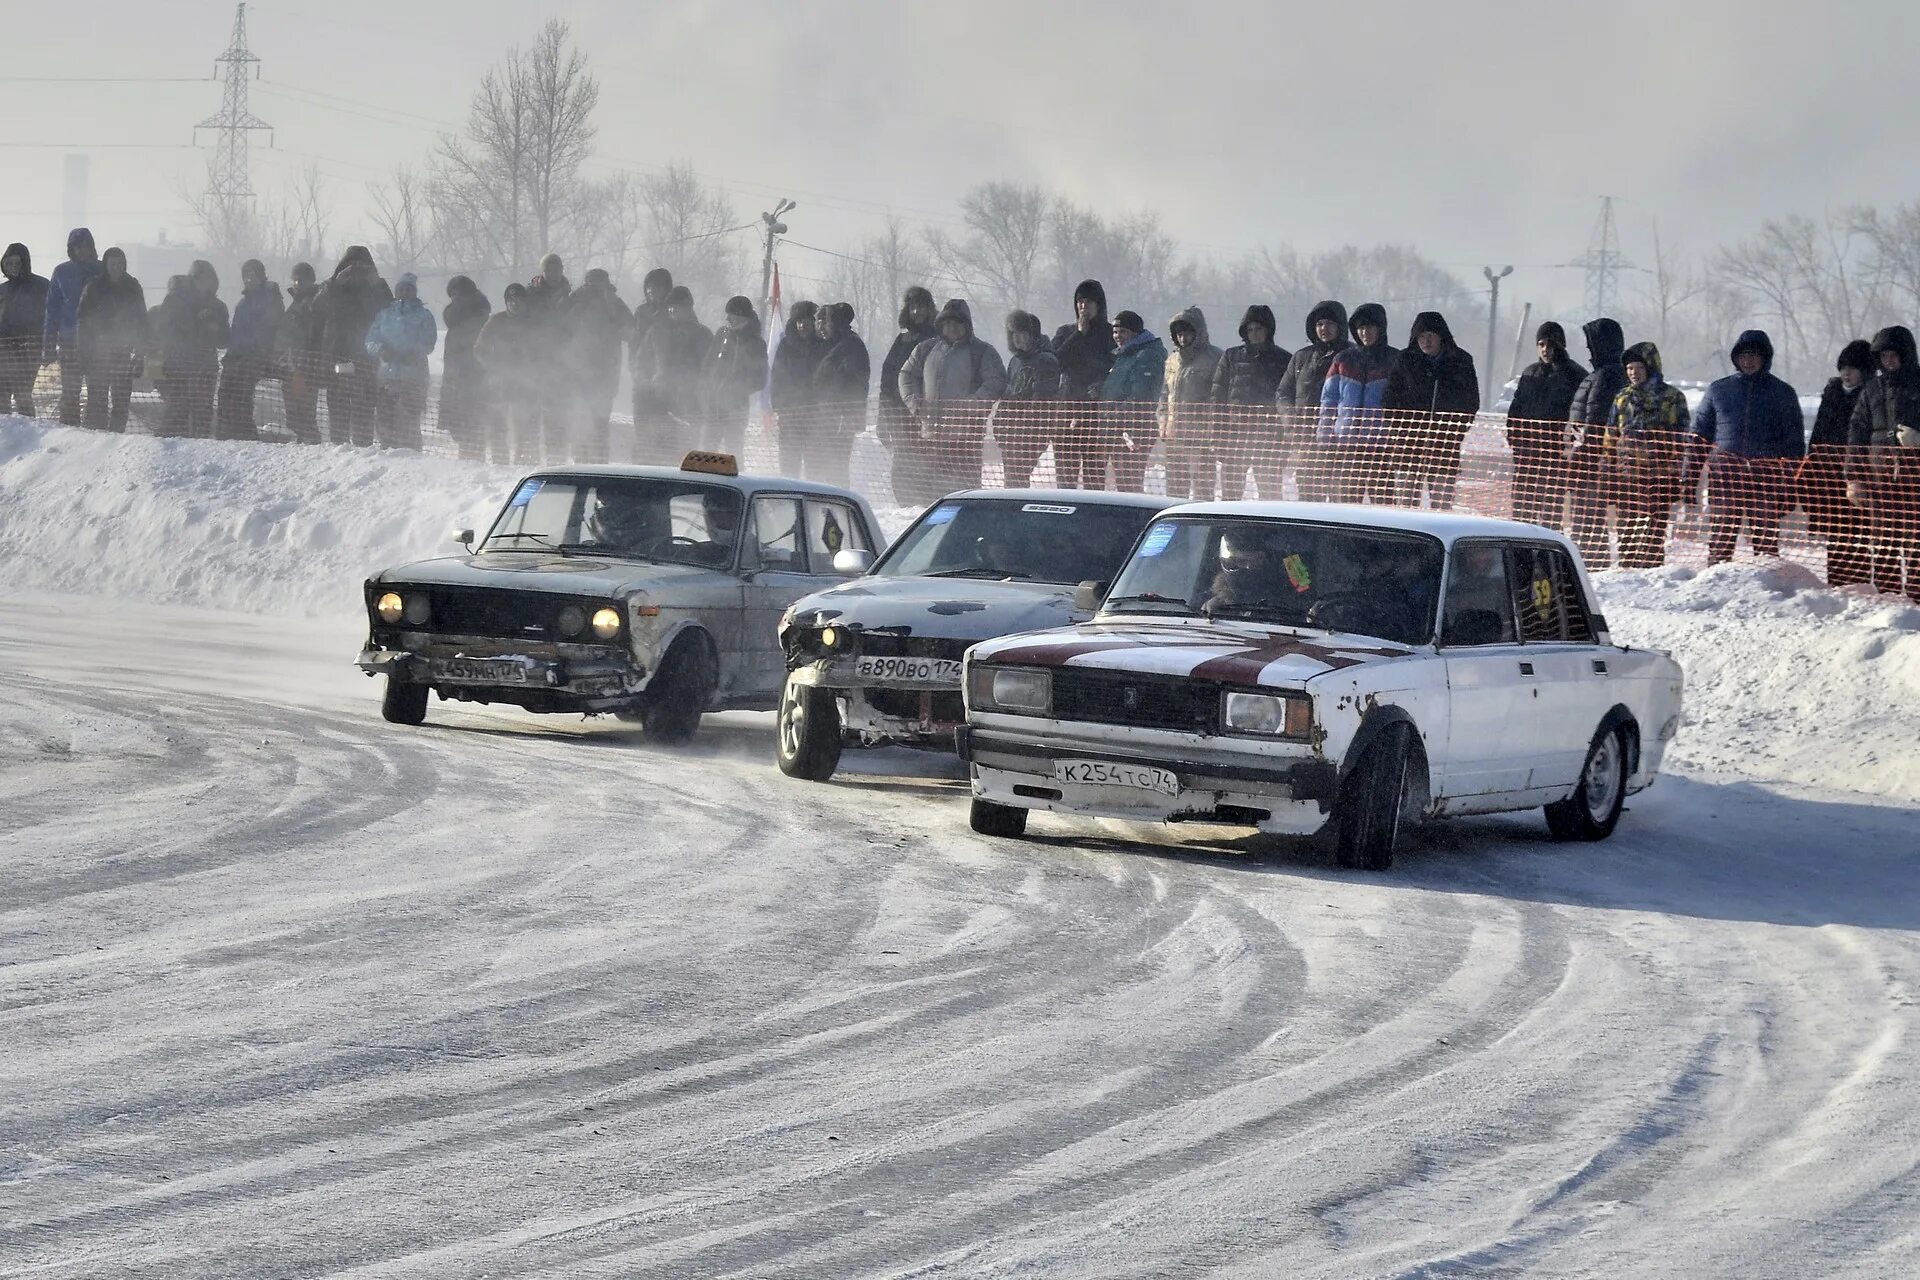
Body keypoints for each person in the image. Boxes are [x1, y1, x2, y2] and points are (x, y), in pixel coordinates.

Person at [1688, 329, 1804, 563]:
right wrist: (1689, 478)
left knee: (1766, 542)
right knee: (1721, 536)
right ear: (1736, 359)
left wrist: (1791, 485)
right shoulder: (1718, 390)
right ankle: (1715, 584)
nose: (1748, 361)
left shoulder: (1782, 393)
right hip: (1726, 475)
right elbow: (1698, 436)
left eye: (1754, 355)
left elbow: (1794, 443)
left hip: (1766, 477)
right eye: (1743, 356)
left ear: (1765, 358)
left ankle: (1768, 588)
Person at [898, 298, 1008, 495]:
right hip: (930, 434)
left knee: (965, 492)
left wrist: (977, 401)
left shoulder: (982, 351)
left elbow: (996, 380)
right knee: (932, 493)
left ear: (967, 325)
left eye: (958, 323)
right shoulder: (925, 349)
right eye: (947, 323)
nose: (952, 327)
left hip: (966, 438)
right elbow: (906, 374)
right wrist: (913, 401)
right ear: (940, 325)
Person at [1847, 325, 1920, 600]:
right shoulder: (1871, 390)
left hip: (1915, 477)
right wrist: (1853, 478)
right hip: (1879, 477)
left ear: (1906, 355)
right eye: (1884, 356)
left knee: (1917, 539)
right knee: (1884, 538)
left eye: (1894, 355)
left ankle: (1916, 598)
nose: (1889, 360)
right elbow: (1856, 433)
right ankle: (1888, 598)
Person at [1605, 342, 1690, 569]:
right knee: (1627, 529)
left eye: (1639, 368)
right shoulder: (1622, 398)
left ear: (1651, 367)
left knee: (1654, 529)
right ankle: (1626, 569)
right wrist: (1608, 468)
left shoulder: (1672, 397)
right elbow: (1611, 435)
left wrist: (1678, 471)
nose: (1634, 373)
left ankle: (1652, 573)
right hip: (1627, 476)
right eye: (1630, 368)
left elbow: (1683, 437)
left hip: (1659, 477)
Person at [1384, 311, 1480, 509]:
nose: (1426, 341)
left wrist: (1454, 431)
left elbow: (1470, 402)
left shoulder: (1460, 361)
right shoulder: (1404, 361)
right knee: (1405, 506)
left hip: (1444, 443)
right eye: (1421, 336)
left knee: (1442, 506)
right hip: (1407, 445)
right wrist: (1399, 430)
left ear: (1441, 336)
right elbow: (1389, 399)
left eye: (1430, 336)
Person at [1802, 340, 1874, 587]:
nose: (1846, 373)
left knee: (1859, 530)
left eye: (1853, 368)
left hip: (1859, 473)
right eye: (1843, 367)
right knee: (1835, 531)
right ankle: (1836, 580)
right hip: (1829, 473)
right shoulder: (1831, 395)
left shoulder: (1870, 395)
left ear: (1864, 371)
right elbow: (1818, 434)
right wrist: (1811, 464)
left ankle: (1859, 581)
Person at [1505, 322, 1588, 526]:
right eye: (1541, 344)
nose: (1545, 349)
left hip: (1555, 457)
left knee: (1550, 517)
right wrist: (1516, 442)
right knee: (1522, 514)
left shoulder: (1575, 375)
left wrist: (1568, 447)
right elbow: (1515, 411)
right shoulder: (1530, 373)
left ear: (1561, 345)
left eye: (1550, 344)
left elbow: (1580, 415)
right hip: (1528, 456)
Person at [1318, 302, 1399, 504]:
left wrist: (1397, 440)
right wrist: (1326, 438)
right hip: (1346, 447)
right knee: (1345, 506)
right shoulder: (1343, 359)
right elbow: (1329, 401)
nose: (1365, 332)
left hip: (1379, 448)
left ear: (1380, 329)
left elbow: (1403, 404)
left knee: (1383, 508)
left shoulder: (1395, 360)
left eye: (1370, 327)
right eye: (1361, 328)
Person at [1210, 304, 1293, 499]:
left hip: (1269, 436)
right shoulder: (1231, 356)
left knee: (1270, 493)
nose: (1254, 334)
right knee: (1230, 494)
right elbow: (1217, 397)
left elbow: (1286, 397)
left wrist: (1284, 440)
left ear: (1268, 330)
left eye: (1259, 329)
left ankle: (1270, 529)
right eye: (1250, 330)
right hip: (1234, 434)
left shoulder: (1283, 359)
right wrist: (1217, 433)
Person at [315, 246, 392, 446]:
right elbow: (315, 308)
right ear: (343, 265)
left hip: (366, 356)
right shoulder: (332, 285)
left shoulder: (377, 287)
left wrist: (376, 283)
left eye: (361, 265)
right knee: (337, 403)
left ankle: (363, 446)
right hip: (336, 354)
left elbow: (390, 312)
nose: (356, 270)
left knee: (364, 405)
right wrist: (336, 282)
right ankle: (338, 446)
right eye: (351, 264)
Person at [1566, 318, 1628, 563]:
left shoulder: (1606, 376)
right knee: (1586, 516)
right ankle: (1591, 558)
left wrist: (1581, 451)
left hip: (1591, 461)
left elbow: (1594, 419)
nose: (1588, 349)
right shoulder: (1602, 374)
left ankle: (1591, 561)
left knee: (1588, 517)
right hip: (1592, 458)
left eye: (1591, 343)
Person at [1277, 301, 1353, 500]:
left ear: (1340, 327)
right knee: (1309, 498)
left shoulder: (1352, 356)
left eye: (1329, 324)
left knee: (1339, 499)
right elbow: (1283, 393)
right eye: (1319, 324)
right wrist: (1290, 418)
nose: (1324, 329)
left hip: (1337, 442)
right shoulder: (1301, 357)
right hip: (1306, 439)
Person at [562, 268, 632, 464]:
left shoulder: (614, 303)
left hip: (603, 373)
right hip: (581, 372)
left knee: (597, 423)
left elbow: (630, 330)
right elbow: (559, 329)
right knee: (583, 422)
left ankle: (598, 465)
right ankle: (584, 465)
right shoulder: (576, 301)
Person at [634, 284, 712, 462]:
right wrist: (645, 385)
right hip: (658, 402)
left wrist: (702, 394)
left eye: (676, 307)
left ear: (688, 308)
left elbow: (709, 369)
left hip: (690, 404)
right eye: (670, 306)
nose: (672, 310)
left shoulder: (703, 334)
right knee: (656, 454)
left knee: (684, 456)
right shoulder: (656, 332)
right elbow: (641, 362)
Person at [74, 247, 147, 432]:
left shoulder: (133, 287)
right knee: (96, 401)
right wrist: (84, 354)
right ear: (106, 265)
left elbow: (142, 322)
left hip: (123, 352)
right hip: (98, 353)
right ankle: (93, 441)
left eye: (120, 264)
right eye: (113, 264)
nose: (116, 268)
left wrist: (139, 355)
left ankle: (116, 439)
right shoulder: (94, 286)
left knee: (121, 401)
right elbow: (82, 321)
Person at [1051, 279, 1116, 488]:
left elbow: (1117, 368)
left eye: (1089, 302)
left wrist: (1102, 385)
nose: (1083, 306)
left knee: (1094, 479)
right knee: (1066, 479)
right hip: (1066, 413)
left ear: (1099, 305)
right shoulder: (1065, 332)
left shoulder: (1110, 334)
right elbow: (1055, 362)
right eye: (1080, 301)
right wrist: (1078, 334)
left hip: (1097, 416)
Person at [154, 261, 229, 438]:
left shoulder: (218, 306)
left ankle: (200, 451)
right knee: (176, 414)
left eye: (211, 279)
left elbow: (224, 340)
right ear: (194, 279)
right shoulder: (175, 300)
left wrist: (215, 328)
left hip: (205, 368)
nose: (207, 283)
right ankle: (168, 453)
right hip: (177, 367)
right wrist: (197, 322)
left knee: (202, 415)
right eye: (203, 278)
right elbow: (167, 332)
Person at [879, 287, 939, 502]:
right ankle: (905, 504)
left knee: (925, 462)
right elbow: (887, 379)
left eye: (921, 307)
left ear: (929, 309)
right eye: (913, 307)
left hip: (924, 412)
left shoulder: (936, 338)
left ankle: (923, 503)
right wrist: (882, 416)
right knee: (902, 463)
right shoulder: (901, 340)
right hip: (898, 412)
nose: (917, 312)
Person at [365, 273, 437, 451]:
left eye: (408, 289)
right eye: (401, 289)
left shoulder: (424, 315)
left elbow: (429, 341)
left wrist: (414, 353)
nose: (404, 292)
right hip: (386, 375)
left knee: (409, 418)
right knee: (384, 416)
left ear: (414, 291)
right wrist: (381, 349)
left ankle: (411, 453)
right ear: (396, 291)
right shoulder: (384, 314)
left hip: (413, 376)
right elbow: (370, 339)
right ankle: (387, 449)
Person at [41, 228, 105, 425]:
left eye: (87, 245)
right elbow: (51, 311)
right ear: (72, 249)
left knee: (99, 391)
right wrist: (48, 347)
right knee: (70, 391)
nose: (83, 250)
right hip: (69, 341)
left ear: (92, 247)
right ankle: (69, 432)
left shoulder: (103, 270)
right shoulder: (61, 272)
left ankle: (97, 432)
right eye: (78, 246)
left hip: (99, 342)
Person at [1157, 306, 1222, 500]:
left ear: (1198, 332)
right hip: (1174, 436)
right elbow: (1164, 394)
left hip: (1200, 439)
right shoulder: (1171, 361)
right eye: (1179, 334)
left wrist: (1211, 430)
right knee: (1175, 492)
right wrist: (1162, 422)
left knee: (1202, 491)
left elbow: (1217, 397)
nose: (1183, 339)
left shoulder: (1215, 358)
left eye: (1187, 333)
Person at [216, 259, 283, 442]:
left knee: (241, 401)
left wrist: (258, 353)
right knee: (225, 398)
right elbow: (237, 333)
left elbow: (270, 329)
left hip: (253, 359)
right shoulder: (242, 303)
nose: (249, 279)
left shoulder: (270, 298)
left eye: (253, 274)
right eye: (246, 275)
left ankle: (246, 438)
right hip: (235, 358)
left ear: (261, 276)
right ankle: (225, 437)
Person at [805, 301, 870, 485]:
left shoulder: (851, 345)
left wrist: (845, 413)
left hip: (840, 416)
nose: (822, 328)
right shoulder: (833, 345)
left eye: (826, 323)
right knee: (820, 463)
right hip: (825, 415)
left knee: (836, 465)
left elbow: (853, 383)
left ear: (837, 323)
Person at [476, 283, 542, 462]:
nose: (515, 303)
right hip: (500, 382)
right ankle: (500, 460)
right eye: (511, 300)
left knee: (525, 423)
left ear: (525, 302)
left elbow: (544, 351)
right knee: (498, 423)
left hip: (526, 381)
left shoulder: (534, 323)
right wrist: (492, 368)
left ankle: (524, 460)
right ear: (506, 302)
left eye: (518, 299)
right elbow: (480, 349)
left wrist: (536, 370)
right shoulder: (496, 321)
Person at [1101, 310, 1166, 492]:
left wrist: (1117, 412)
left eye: (1122, 332)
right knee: (1122, 482)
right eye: (1115, 332)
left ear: (1135, 333)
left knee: (1130, 483)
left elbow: (1142, 395)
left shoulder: (1147, 356)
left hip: (1135, 428)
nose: (1117, 336)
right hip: (1118, 427)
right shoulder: (1125, 355)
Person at [1000, 309, 1062, 488]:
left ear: (1032, 334)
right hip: (1010, 432)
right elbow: (1008, 394)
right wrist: (1000, 424)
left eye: (1022, 333)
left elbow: (1044, 399)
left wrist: (1024, 426)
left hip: (1032, 432)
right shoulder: (1015, 361)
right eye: (1013, 334)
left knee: (1018, 477)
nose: (1017, 338)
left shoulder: (1046, 360)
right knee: (1010, 480)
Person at [705, 295, 768, 460]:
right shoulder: (721, 335)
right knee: (706, 451)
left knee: (734, 453)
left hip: (737, 408)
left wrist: (738, 389)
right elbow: (708, 365)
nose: (727, 318)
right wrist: (709, 386)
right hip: (714, 404)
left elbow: (760, 378)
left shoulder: (756, 343)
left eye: (731, 314)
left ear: (741, 316)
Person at [440, 276, 493, 462]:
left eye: (461, 294)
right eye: (453, 294)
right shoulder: (453, 321)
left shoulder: (481, 320)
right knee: (459, 424)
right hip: (455, 378)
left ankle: (475, 460)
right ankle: (466, 459)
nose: (457, 298)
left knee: (476, 422)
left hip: (477, 378)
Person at [526, 253, 574, 457]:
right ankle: (528, 456)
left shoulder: (570, 295)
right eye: (549, 270)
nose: (553, 274)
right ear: (542, 272)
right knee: (530, 410)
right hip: (534, 359)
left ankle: (556, 455)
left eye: (557, 269)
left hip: (560, 361)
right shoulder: (530, 293)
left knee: (557, 412)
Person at [771, 299, 824, 471]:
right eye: (798, 321)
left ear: (813, 322)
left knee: (813, 465)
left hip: (814, 415)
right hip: (789, 413)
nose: (802, 325)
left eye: (806, 321)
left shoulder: (822, 345)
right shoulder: (786, 345)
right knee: (788, 463)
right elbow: (777, 377)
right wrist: (779, 406)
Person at [0, 243, 50, 417]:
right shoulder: (2, 290)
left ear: (25, 263)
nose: (13, 267)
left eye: (17, 263)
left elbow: (50, 316)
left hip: (29, 348)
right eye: (9, 263)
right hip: (3, 350)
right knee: (2, 395)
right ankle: (4, 433)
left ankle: (27, 433)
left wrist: (46, 344)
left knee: (22, 394)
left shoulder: (41, 286)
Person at [279, 263, 327, 444]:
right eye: (295, 280)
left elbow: (314, 332)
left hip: (307, 365)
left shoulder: (316, 301)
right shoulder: (294, 304)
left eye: (302, 279)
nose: (298, 283)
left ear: (311, 280)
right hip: (291, 364)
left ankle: (311, 443)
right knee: (293, 413)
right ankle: (304, 440)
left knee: (305, 411)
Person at [628, 266, 674, 429]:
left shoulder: (674, 312)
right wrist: (635, 370)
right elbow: (633, 344)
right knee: (641, 428)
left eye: (657, 287)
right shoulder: (641, 312)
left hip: (665, 381)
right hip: (641, 378)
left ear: (666, 289)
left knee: (662, 432)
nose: (652, 291)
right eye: (649, 287)